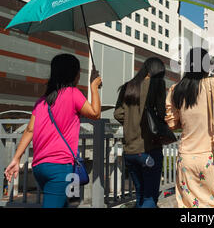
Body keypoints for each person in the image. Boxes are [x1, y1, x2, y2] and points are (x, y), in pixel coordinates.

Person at [4, 53, 102, 208]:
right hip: (60, 168)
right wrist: (94, 87)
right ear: (73, 74)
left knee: (65, 204)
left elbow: (29, 130)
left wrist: (16, 159)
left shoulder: (42, 101)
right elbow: (95, 113)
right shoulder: (72, 93)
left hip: (40, 167)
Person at [165, 42, 214, 208]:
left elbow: (172, 124)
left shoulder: (175, 90)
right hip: (209, 156)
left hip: (186, 157)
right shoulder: (213, 84)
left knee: (188, 205)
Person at [114, 57, 166, 208]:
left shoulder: (128, 86)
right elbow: (162, 113)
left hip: (130, 151)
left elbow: (118, 114)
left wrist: (132, 121)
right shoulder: (157, 85)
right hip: (149, 149)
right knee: (150, 197)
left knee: (140, 195)